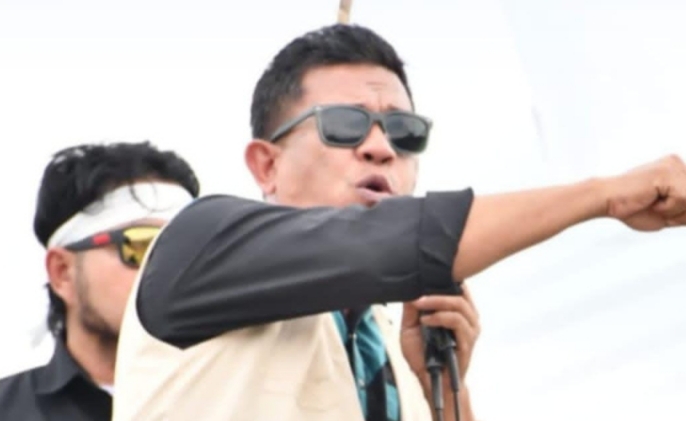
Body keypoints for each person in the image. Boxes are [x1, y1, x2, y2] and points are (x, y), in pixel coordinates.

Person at [112, 24, 686, 421]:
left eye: (405, 133)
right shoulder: (202, 243)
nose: (381, 148)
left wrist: (448, 395)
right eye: (344, 124)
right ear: (267, 165)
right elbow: (386, 241)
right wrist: (604, 195)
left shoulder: (396, 339)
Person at [0, 141, 200, 421]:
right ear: (62, 272)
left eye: (183, 248)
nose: (167, 268)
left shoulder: (236, 401)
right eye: (140, 246)